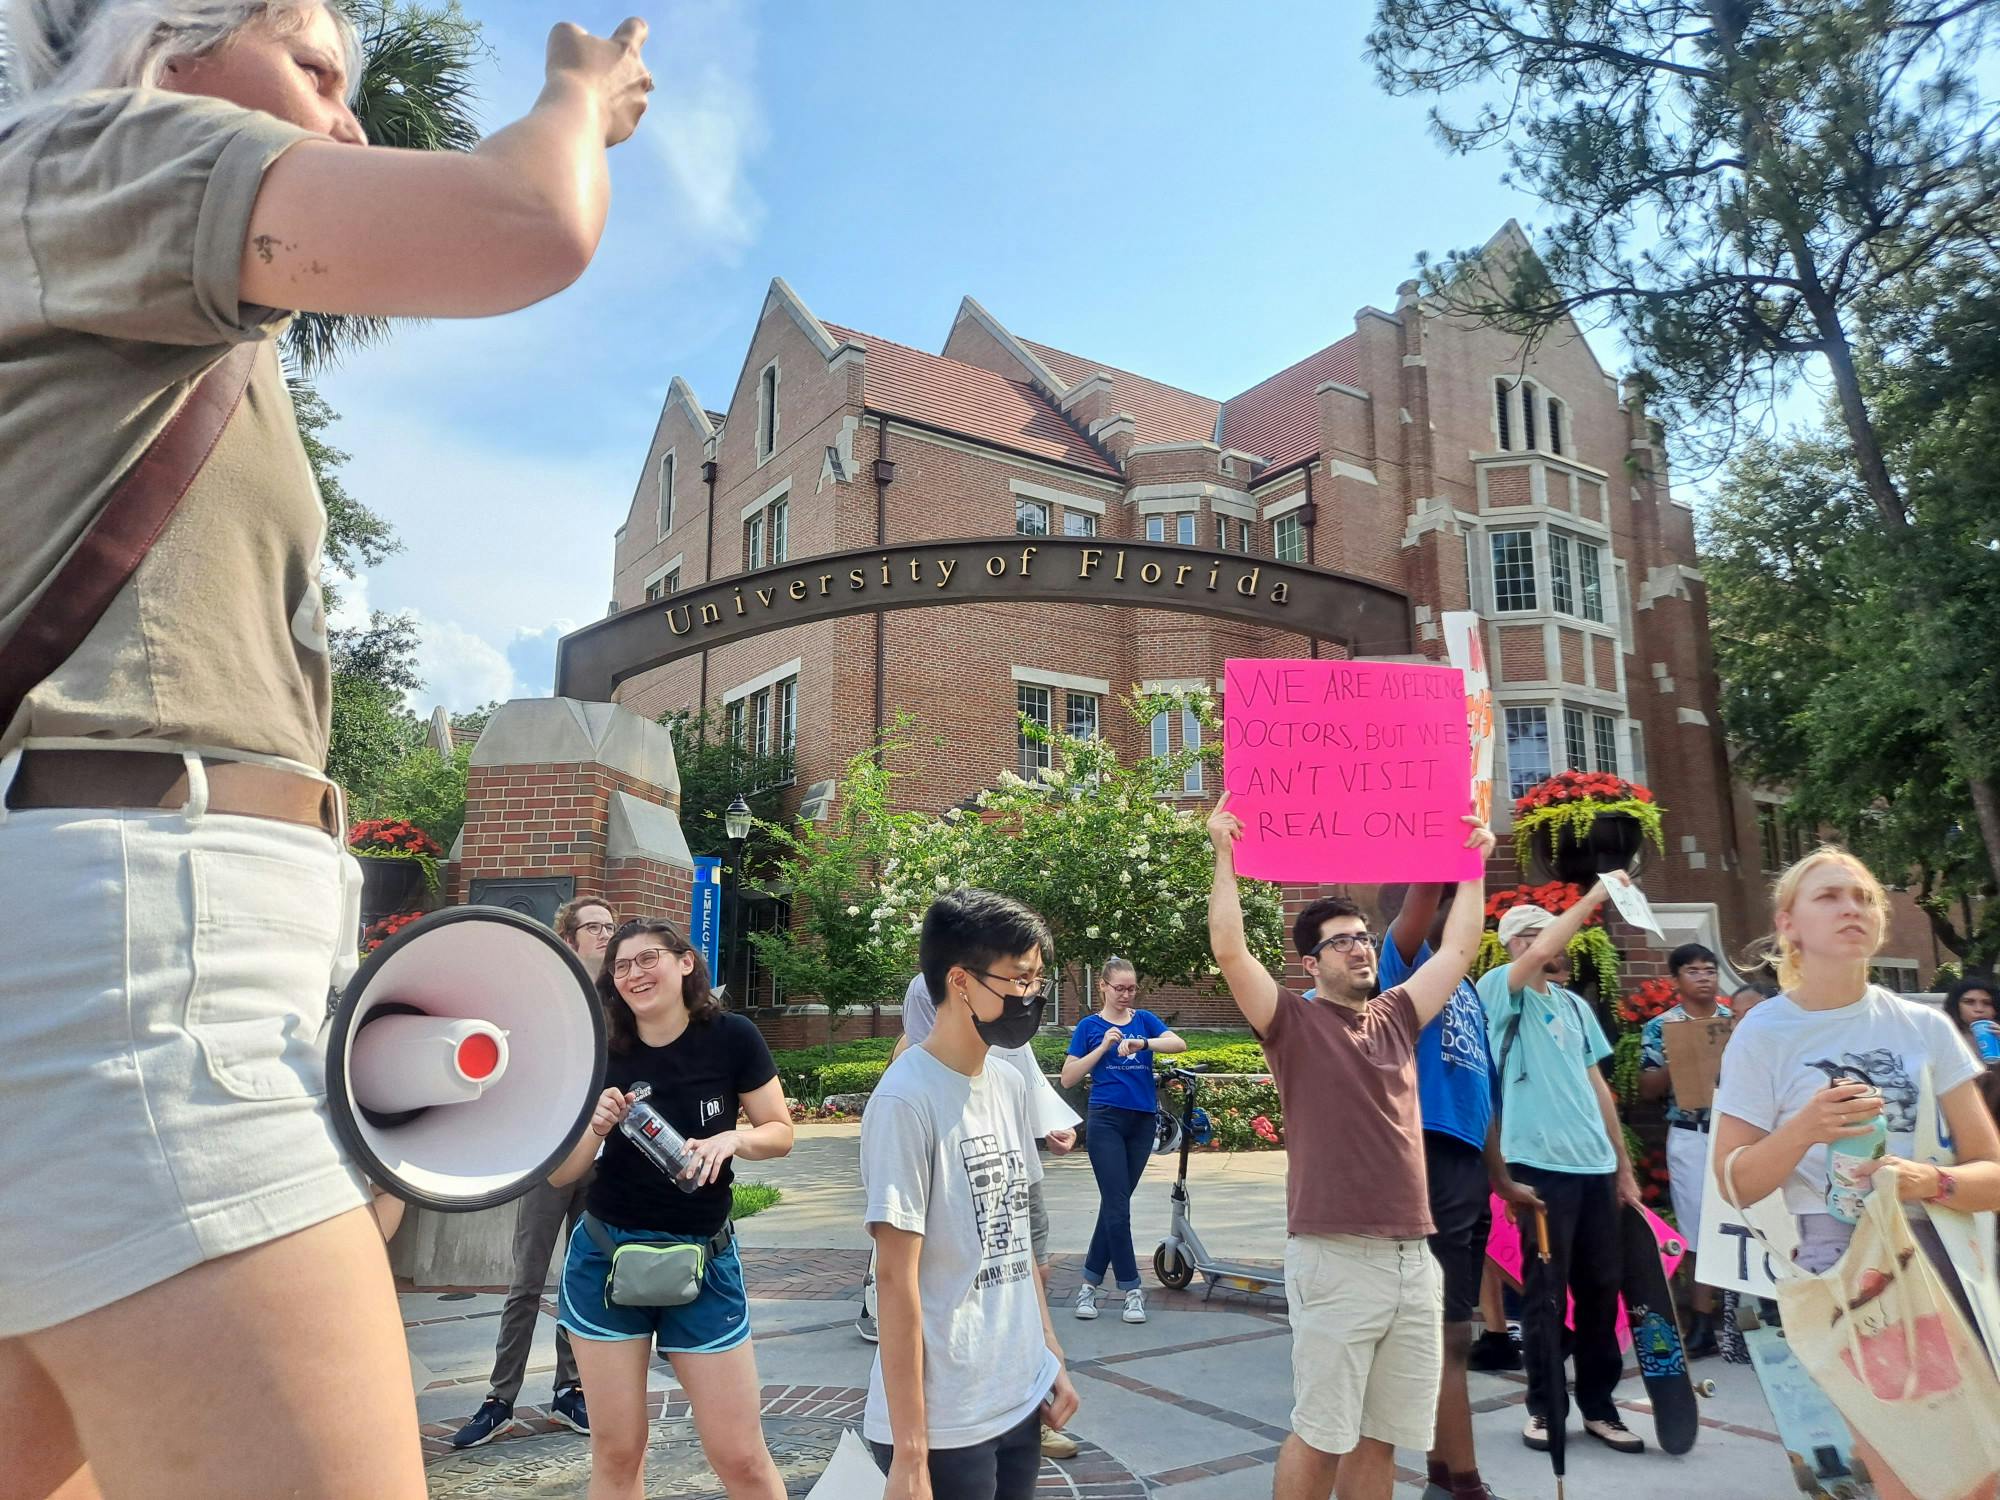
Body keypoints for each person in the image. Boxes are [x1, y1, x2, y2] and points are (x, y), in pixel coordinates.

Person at [0, 5, 653, 1496]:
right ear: (167, 43)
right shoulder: (118, 149)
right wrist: (577, 96)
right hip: (142, 949)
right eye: (318, 73)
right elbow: (523, 222)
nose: (351, 129)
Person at [1208, 790, 1495, 1500]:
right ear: (1312, 963)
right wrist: (1222, 853)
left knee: (1382, 1435)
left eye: (1364, 935)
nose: (1361, 945)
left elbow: (1459, 947)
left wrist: (1475, 860)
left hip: (1411, 1259)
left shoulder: (1399, 1014)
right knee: (1323, 1433)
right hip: (1335, 1259)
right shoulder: (1291, 1024)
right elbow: (1229, 950)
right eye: (1342, 939)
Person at [1713, 849, 2000, 1500]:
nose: (1851, 907)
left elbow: (1994, 1172)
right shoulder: (1764, 1032)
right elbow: (1735, 1183)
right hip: (1847, 1266)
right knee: (1905, 1469)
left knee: (1983, 1471)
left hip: (1946, 1253)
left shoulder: (1925, 1027)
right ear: (1788, 924)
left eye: (1864, 897)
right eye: (1829, 896)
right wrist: (1806, 1129)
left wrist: (1929, 1180)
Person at [550, 919, 793, 1500]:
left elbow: (780, 1132)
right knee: (617, 1451)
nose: (634, 973)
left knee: (740, 1455)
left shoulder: (732, 1036)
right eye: (622, 965)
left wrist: (732, 1140)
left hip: (704, 1258)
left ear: (685, 963)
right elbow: (562, 1173)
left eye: (647, 958)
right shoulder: (598, 1048)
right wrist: (596, 1125)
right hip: (606, 1260)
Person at [862, 888, 1081, 1500]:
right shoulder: (906, 1100)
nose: (1030, 996)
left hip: (1015, 1394)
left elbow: (1013, 1240)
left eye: (1037, 979)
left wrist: (1049, 1352)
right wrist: (910, 1452)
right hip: (943, 1421)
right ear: (960, 982)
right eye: (1019, 979)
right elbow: (895, 1282)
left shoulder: (1009, 1084)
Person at [1377, 884, 1540, 1500]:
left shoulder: (1469, 993)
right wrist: (1452, 862)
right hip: (1427, 1154)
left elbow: (1484, 1096)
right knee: (1443, 1331)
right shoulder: (1408, 968)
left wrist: (1499, 1178)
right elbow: (1417, 912)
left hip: (1467, 1166)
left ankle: (1447, 1474)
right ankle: (1461, 1483)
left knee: (1458, 1329)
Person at [1478, 890, 1648, 1457]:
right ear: (1513, 946)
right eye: (1531, 935)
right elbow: (1535, 953)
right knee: (1546, 1296)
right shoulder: (1501, 989)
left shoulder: (1575, 1007)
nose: (1546, 943)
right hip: (1538, 1167)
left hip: (1594, 1167)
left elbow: (1597, 1086)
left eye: (1546, 933)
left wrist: (1622, 1165)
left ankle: (1600, 1408)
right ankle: (1545, 1409)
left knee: (1601, 1292)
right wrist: (1599, 894)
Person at [449, 895, 618, 1448]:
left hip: (601, 1158)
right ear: (569, 937)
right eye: (593, 927)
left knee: (581, 1277)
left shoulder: (622, 1001)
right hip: (551, 1157)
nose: (604, 935)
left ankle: (570, 1390)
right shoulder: (551, 996)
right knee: (526, 1281)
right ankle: (500, 1398)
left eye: (609, 927)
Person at [1059, 957, 1188, 1326]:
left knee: (1115, 1206)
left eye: (1132, 988)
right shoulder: (1090, 1026)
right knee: (1118, 1207)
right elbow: (1068, 1077)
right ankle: (1132, 1290)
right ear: (1102, 986)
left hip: (1142, 1122)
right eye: (1120, 988)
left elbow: (1178, 1044)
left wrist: (1141, 1042)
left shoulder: (1143, 1020)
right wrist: (1102, 1049)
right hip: (1106, 1121)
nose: (1127, 995)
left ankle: (1089, 1283)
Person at [1637, 942, 1731, 1358]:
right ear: (1676, 980)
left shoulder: (1737, 1022)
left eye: (1709, 969)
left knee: (1751, 1219)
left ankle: (1748, 1316)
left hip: (1737, 1132)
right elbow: (1646, 1089)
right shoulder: (1661, 1028)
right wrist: (1684, 1054)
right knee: (1696, 1228)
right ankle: (1701, 1322)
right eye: (1693, 971)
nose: (1704, 976)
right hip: (1690, 1132)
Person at [1944, 974, 1999, 1048]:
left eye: (1987, 1003)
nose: (1979, 1009)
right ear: (1956, 1006)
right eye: (1969, 1002)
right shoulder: (1943, 1035)